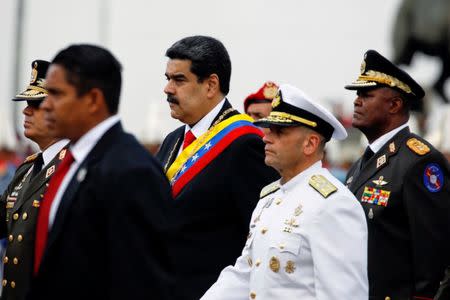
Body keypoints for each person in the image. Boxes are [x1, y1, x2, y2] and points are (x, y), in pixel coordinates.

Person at [28, 44, 172, 299]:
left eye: (56, 94)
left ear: (93, 99)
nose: (46, 106)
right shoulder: (74, 162)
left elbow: (142, 283)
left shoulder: (131, 170)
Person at [201, 84, 368, 300]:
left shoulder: (333, 204)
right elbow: (245, 273)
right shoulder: (269, 198)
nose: (266, 137)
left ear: (310, 143)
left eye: (279, 132)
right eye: (268, 129)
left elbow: (343, 295)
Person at [156, 35, 279, 300]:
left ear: (211, 84)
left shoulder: (245, 143)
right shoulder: (172, 140)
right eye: (167, 78)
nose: (167, 88)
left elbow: (261, 238)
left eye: (178, 80)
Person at [345, 49, 450, 299]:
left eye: (366, 95)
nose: (356, 101)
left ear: (394, 105)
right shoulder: (359, 166)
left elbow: (436, 255)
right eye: (357, 94)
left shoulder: (420, 163)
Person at [0, 60, 69, 300]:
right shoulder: (27, 168)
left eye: (36, 104)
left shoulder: (74, 167)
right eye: (27, 104)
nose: (26, 111)